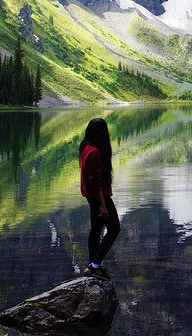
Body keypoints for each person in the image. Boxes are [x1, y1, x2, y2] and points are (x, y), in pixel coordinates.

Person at [79, 117, 120, 280]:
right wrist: (103, 204)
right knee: (114, 229)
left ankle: (93, 266)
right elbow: (94, 180)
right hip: (98, 196)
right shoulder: (95, 152)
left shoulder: (85, 147)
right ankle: (95, 265)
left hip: (90, 196)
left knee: (96, 230)